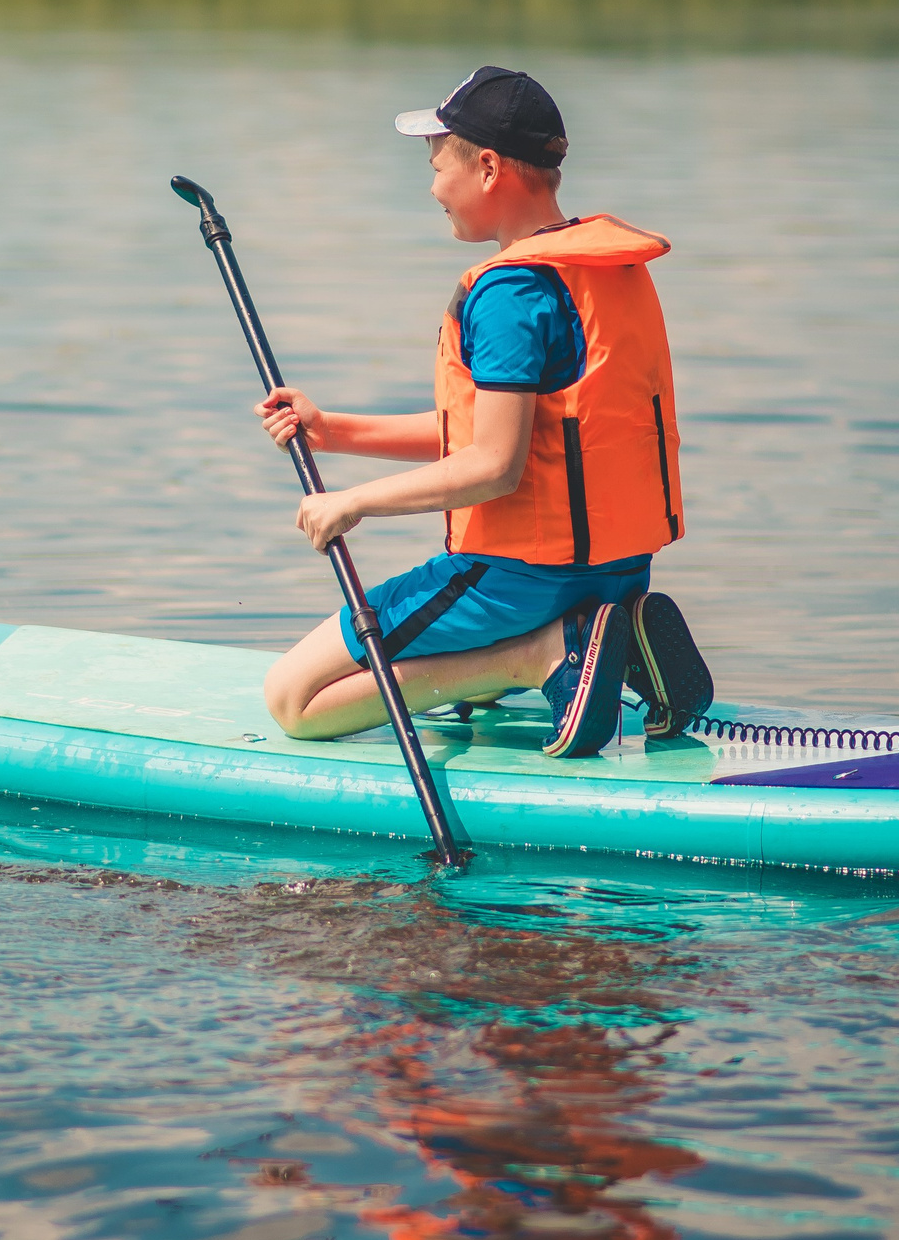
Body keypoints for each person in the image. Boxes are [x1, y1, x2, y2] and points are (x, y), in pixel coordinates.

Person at [256, 65, 712, 756]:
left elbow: (494, 466)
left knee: (294, 700)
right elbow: (498, 438)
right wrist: (335, 431)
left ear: (490, 168)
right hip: (618, 567)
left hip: (520, 581)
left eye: (439, 166)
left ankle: (536, 657)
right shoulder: (600, 267)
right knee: (460, 691)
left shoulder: (510, 292)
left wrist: (352, 503)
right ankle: (609, 637)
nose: (433, 186)